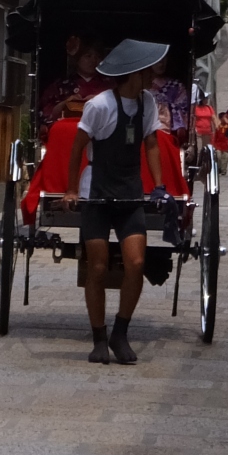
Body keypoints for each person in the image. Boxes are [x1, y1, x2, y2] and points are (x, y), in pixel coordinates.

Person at [61, 38, 166, 365]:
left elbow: (150, 144)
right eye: (148, 71)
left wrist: (159, 186)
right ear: (134, 73)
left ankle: (121, 332)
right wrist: (70, 189)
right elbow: (78, 147)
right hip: (98, 193)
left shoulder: (147, 103)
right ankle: (99, 338)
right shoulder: (100, 106)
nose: (152, 76)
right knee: (99, 267)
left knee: (135, 263)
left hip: (130, 192)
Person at [38, 35, 109, 137]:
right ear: (77, 59)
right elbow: (45, 116)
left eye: (97, 57)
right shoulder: (60, 86)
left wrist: (101, 101)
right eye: (88, 56)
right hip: (68, 135)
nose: (93, 60)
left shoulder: (109, 85)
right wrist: (65, 104)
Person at [150, 59, 189, 149]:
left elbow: (183, 112)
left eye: (164, 59)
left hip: (169, 134)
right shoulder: (142, 86)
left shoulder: (176, 85)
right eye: (157, 60)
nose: (161, 63)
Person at [190, 91, 217, 165]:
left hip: (207, 131)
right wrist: (192, 130)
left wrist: (217, 126)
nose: (207, 100)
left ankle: (205, 164)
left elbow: (214, 118)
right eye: (205, 99)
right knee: (199, 149)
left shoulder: (209, 108)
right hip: (198, 131)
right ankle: (198, 164)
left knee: (206, 149)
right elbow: (193, 119)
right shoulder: (196, 108)